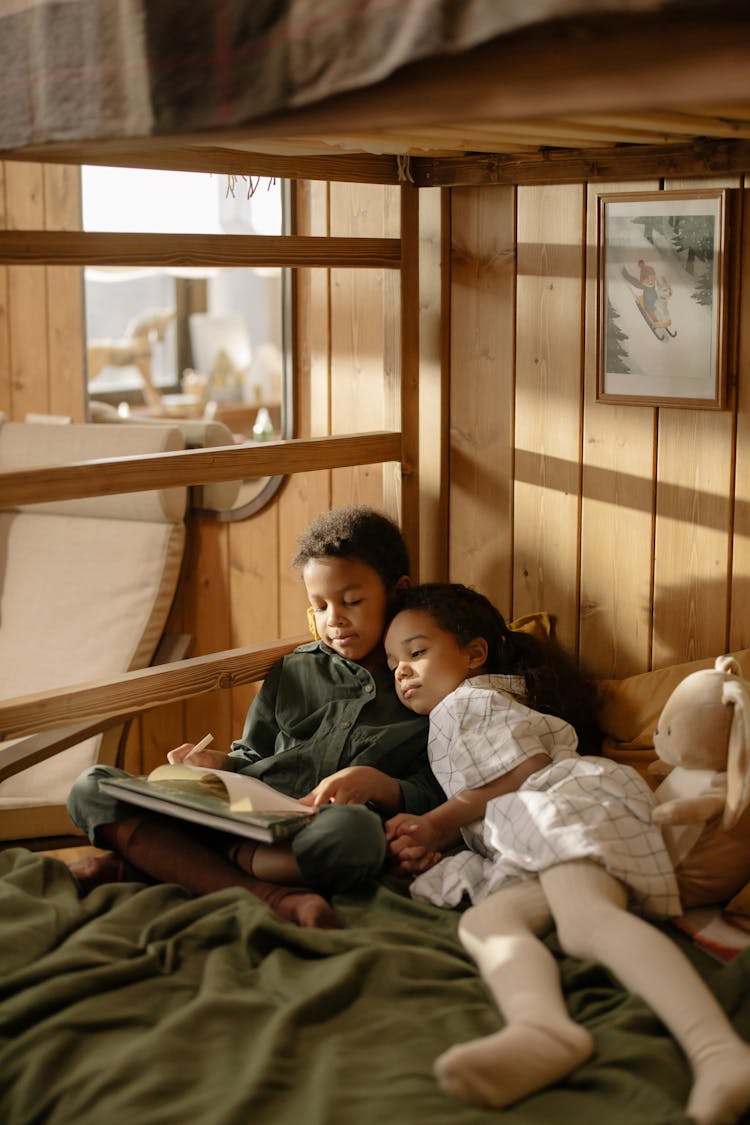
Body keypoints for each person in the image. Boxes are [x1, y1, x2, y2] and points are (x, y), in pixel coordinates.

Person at [383, 584, 750, 1125]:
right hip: (533, 831)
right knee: (487, 923)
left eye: (416, 653)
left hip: (565, 801)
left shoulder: (469, 701)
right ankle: (542, 1028)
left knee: (584, 924)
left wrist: (438, 822)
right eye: (392, 663)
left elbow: (524, 772)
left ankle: (720, 1053)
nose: (401, 671)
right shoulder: (461, 713)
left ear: (475, 654)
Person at [66, 506, 443, 929]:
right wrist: (219, 764)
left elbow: (437, 791)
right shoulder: (292, 671)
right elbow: (251, 757)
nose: (333, 619)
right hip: (245, 814)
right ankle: (271, 897)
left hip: (317, 832)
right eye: (318, 607)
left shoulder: (425, 684)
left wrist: (383, 786)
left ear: (397, 592)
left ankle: (161, 865)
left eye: (351, 601)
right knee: (91, 787)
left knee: (354, 837)